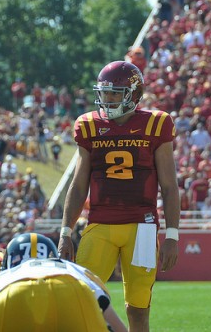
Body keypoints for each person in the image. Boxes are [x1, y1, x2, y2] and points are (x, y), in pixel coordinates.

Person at [58, 60, 180, 332]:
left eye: (115, 93)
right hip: (100, 224)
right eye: (104, 92)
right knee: (81, 298)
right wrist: (65, 231)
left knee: (138, 308)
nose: (107, 99)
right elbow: (78, 185)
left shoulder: (156, 124)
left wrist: (172, 235)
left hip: (143, 228)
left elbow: (169, 185)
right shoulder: (88, 125)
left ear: (133, 94)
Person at [0, 232, 127, 332]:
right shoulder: (71, 269)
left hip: (9, 293)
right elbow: (105, 307)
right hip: (71, 287)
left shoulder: (3, 278)